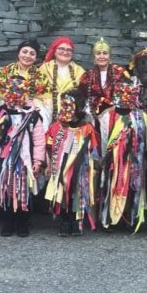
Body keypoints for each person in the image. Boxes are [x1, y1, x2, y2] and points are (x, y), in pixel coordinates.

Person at [0, 75, 48, 237]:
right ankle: (8, 221)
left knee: (24, 191)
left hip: (24, 161)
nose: (15, 94)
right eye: (12, 90)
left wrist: (38, 160)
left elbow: (39, 140)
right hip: (4, 160)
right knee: (5, 189)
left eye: (19, 90)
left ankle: (23, 222)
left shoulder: (32, 115)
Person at [44, 91, 100, 236]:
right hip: (61, 166)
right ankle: (64, 220)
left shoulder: (87, 128)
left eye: (71, 105)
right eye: (65, 105)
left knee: (77, 191)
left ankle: (75, 220)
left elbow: (93, 149)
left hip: (80, 166)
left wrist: (93, 167)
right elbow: (49, 144)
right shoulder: (57, 126)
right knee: (62, 190)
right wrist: (50, 164)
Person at [98, 81, 147, 232]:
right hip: (113, 160)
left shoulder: (141, 116)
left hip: (135, 159)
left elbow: (145, 140)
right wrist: (103, 158)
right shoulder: (108, 116)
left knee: (133, 185)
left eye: (130, 94)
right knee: (112, 186)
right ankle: (110, 218)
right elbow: (104, 138)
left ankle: (131, 216)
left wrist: (143, 157)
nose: (126, 97)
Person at [0, 39, 51, 127]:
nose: (27, 56)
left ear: (35, 58)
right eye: (24, 52)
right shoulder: (5, 71)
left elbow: (47, 100)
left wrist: (30, 104)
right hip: (7, 109)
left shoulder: (41, 76)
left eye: (32, 54)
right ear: (19, 53)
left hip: (32, 111)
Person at [79, 37, 130, 117]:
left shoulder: (119, 73)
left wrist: (107, 111)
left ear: (109, 56)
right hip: (92, 115)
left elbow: (126, 99)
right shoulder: (87, 76)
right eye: (98, 53)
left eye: (105, 53)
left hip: (115, 115)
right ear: (94, 57)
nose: (102, 56)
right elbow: (82, 98)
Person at [39, 36, 85, 123]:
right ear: (55, 51)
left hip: (72, 116)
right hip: (48, 112)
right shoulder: (45, 68)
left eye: (69, 50)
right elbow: (37, 91)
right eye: (61, 49)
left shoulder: (79, 70)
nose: (65, 52)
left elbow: (84, 94)